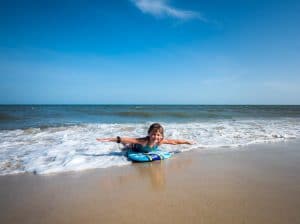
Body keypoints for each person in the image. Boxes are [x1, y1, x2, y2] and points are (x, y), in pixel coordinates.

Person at [96, 123, 193, 153]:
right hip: (134, 147)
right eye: (154, 134)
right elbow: (124, 139)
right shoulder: (143, 141)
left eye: (159, 135)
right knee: (126, 145)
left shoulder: (160, 141)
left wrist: (186, 142)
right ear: (149, 134)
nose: (156, 137)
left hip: (145, 150)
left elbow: (174, 142)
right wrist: (107, 139)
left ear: (162, 136)